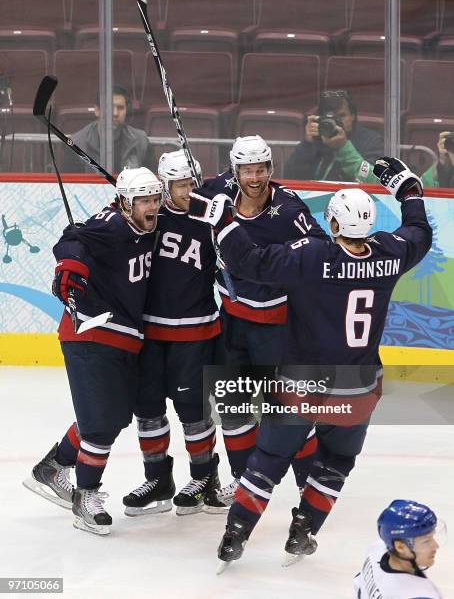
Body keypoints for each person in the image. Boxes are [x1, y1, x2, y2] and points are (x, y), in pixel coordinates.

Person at [188, 156, 432, 566]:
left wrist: (222, 220)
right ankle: (304, 530)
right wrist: (408, 188)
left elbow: (251, 262)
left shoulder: (312, 256)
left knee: (268, 459)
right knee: (336, 461)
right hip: (358, 386)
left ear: (333, 224)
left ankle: (236, 533)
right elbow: (419, 231)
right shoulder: (391, 253)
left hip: (302, 384)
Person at [23, 167, 163, 535]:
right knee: (100, 423)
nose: (152, 207)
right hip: (90, 332)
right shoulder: (112, 225)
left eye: (154, 198)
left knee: (113, 417)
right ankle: (85, 496)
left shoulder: (144, 224)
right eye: (144, 200)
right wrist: (69, 271)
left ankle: (52, 468)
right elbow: (73, 238)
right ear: (126, 203)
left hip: (124, 336)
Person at [201, 135, 327, 511]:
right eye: (247, 170)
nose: (254, 177)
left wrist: (274, 258)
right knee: (233, 406)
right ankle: (243, 483)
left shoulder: (288, 209)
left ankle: (309, 485)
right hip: (232, 321)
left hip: (277, 326)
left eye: (261, 169)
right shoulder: (219, 189)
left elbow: (320, 246)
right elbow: (181, 199)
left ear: (270, 169)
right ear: (233, 170)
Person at [122, 150, 222, 516]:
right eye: (180, 185)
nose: (187, 191)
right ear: (164, 187)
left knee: (192, 411)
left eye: (192, 184)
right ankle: (158, 478)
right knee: (146, 409)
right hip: (148, 333)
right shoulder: (149, 217)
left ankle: (203, 477)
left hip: (194, 333)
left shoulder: (212, 217)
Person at [284, 90, 383, 184]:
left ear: (352, 116)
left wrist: (344, 148)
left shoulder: (372, 141)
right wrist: (306, 145)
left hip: (355, 199)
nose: (336, 122)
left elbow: (375, 181)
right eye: (329, 118)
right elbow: (289, 177)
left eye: (341, 116)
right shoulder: (316, 138)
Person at [354, 499, 442, 598]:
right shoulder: (418, 594)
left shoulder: (376, 549)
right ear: (400, 547)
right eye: (426, 541)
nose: (435, 546)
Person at [63, 85, 154, 174]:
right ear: (97, 110)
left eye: (120, 108)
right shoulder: (76, 143)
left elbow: (151, 179)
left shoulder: (141, 141)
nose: (115, 113)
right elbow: (71, 185)